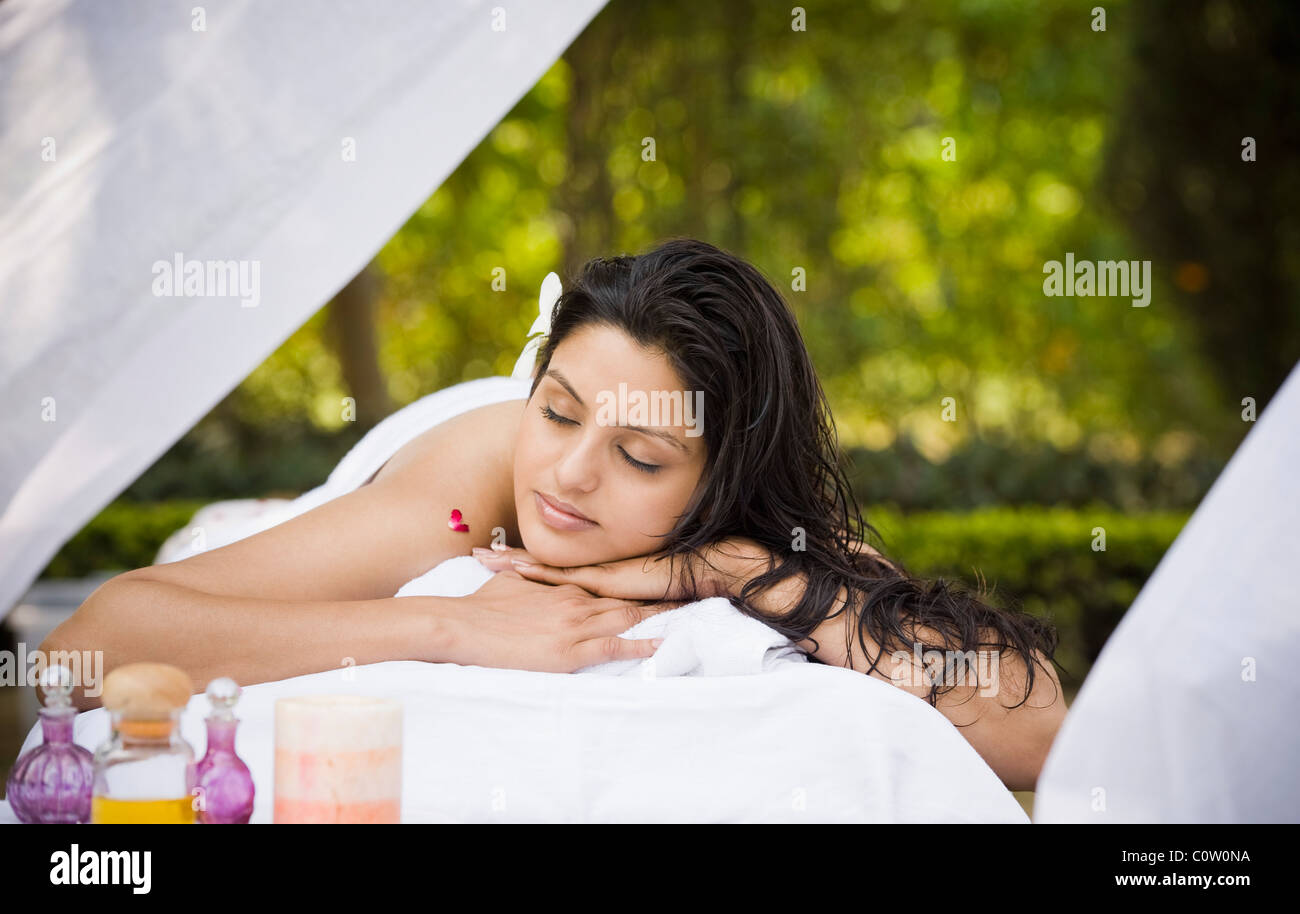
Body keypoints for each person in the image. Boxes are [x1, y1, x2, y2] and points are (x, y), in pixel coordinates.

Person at [40, 237, 1065, 790]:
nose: (569, 475)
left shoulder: (761, 526)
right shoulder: (484, 474)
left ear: (722, 479)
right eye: (560, 410)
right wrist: (447, 624)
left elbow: (1032, 729)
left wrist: (725, 570)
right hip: (415, 467)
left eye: (638, 455)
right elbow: (84, 648)